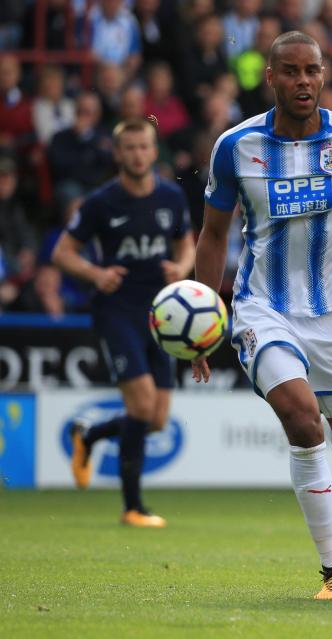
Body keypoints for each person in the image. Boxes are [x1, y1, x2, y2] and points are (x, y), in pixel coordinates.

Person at [192, 31, 332, 601]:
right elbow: (213, 235)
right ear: (271, 77)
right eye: (291, 71)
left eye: (312, 71)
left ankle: (315, 390)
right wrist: (208, 316)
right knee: (304, 424)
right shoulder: (236, 146)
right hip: (264, 309)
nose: (303, 81)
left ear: (323, 75)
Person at [52, 118, 195, 528]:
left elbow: (186, 242)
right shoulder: (100, 202)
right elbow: (63, 253)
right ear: (117, 154)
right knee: (142, 405)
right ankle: (133, 507)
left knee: (157, 419)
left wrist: (181, 267)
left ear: (154, 151)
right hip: (117, 311)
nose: (136, 154)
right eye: (128, 148)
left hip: (163, 315)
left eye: (143, 146)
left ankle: (91, 435)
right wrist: (96, 275)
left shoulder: (170, 196)